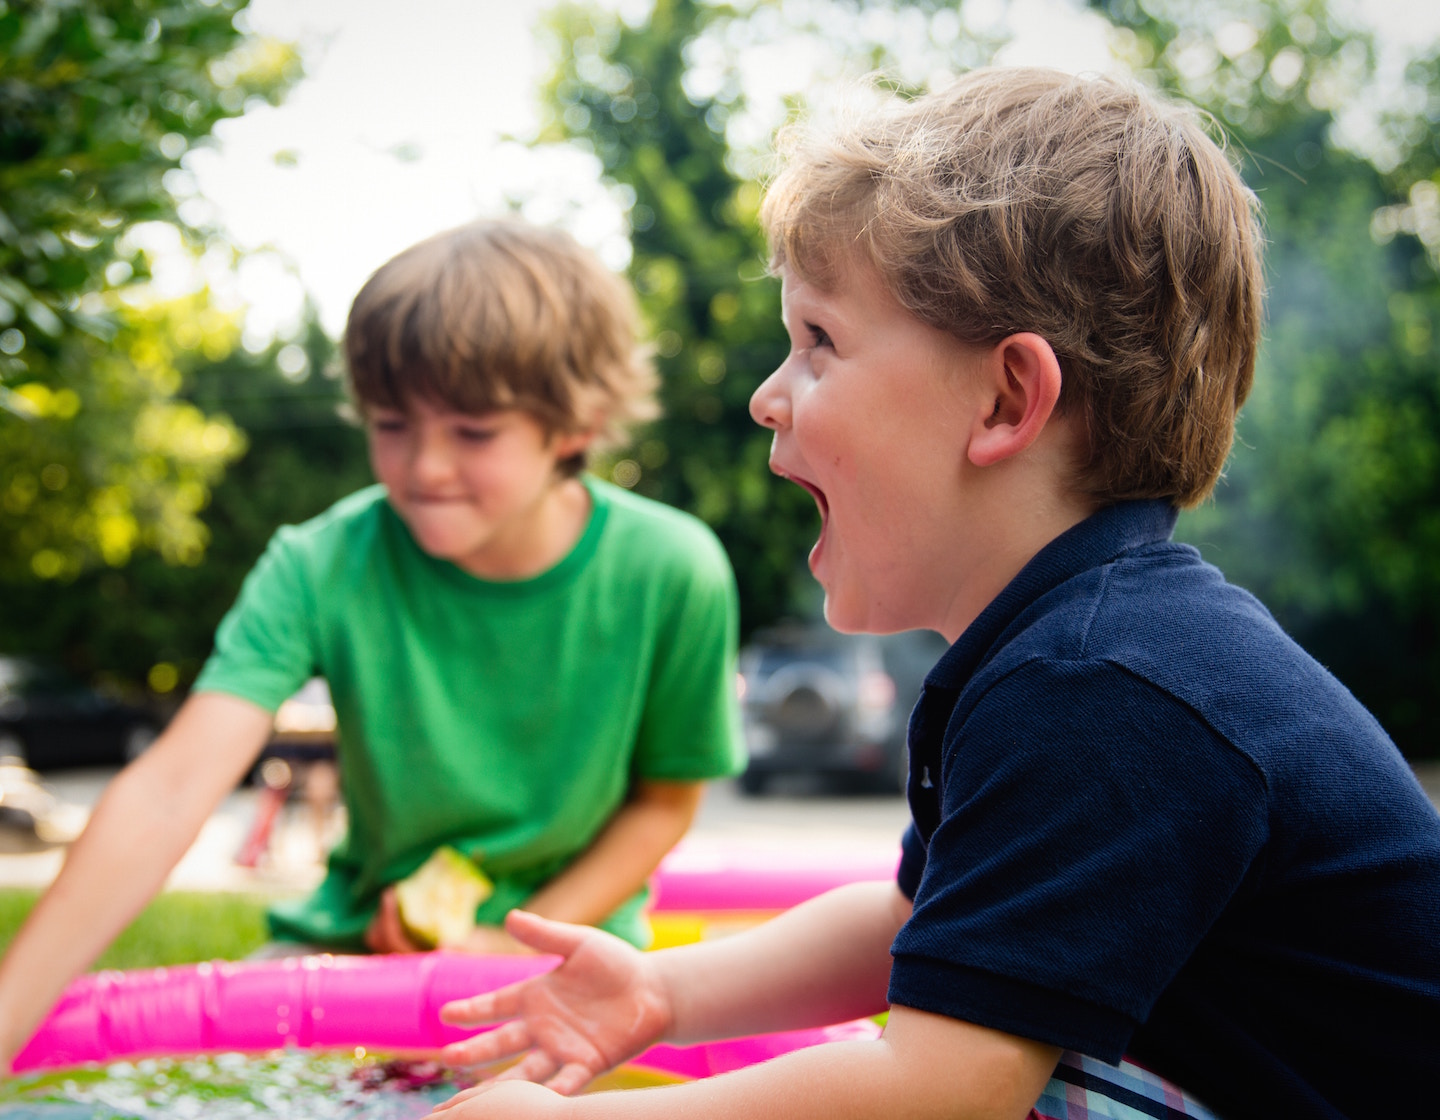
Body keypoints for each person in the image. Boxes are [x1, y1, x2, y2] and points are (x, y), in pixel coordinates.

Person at [418, 69, 1440, 1120]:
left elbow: (941, 1092)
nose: (769, 394)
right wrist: (661, 991)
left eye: (818, 341)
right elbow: (915, 919)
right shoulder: (1067, 651)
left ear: (1006, 400)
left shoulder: (1107, 687)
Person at [0, 219, 745, 1068]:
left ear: (577, 425)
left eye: (472, 432)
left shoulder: (673, 569)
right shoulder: (319, 562)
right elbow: (172, 791)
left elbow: (664, 801)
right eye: (391, 424)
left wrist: (506, 941)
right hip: (355, 947)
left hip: (567, 958)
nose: (423, 466)